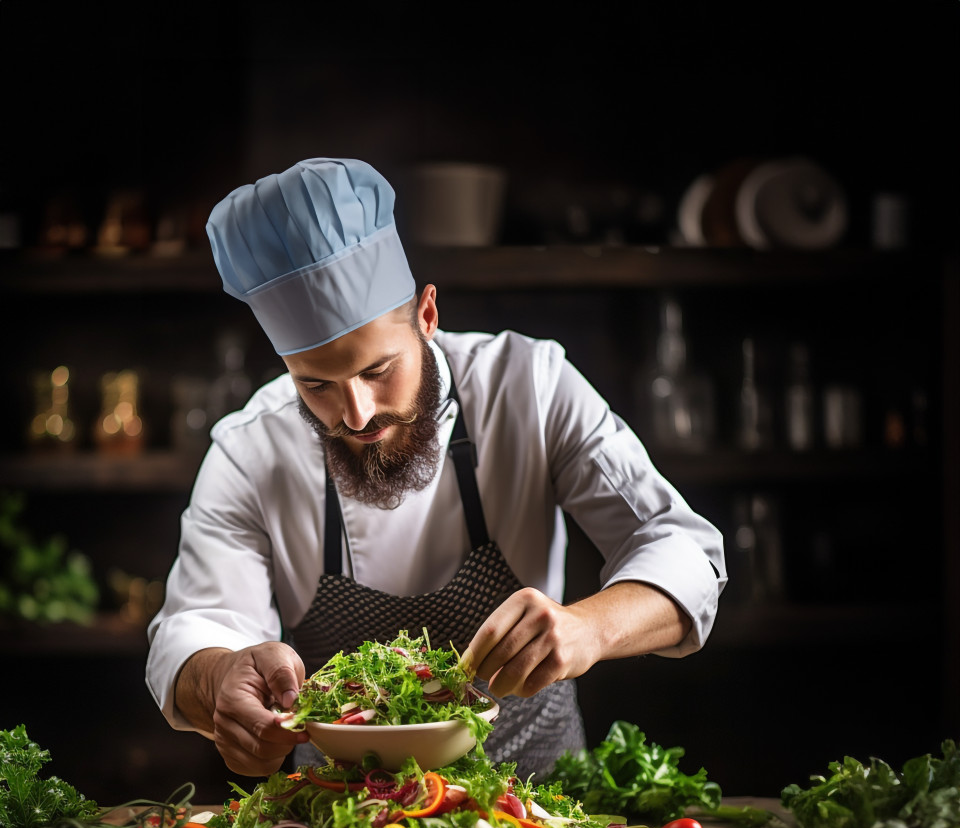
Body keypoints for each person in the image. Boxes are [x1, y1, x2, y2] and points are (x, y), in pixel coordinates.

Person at [146, 158, 726, 784]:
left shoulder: (530, 386)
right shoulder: (250, 447)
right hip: (344, 817)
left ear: (426, 316)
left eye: (377, 370)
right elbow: (196, 627)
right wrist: (219, 678)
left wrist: (590, 628)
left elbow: (683, 550)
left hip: (539, 806)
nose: (356, 415)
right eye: (316, 385)